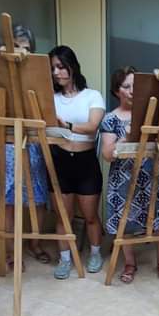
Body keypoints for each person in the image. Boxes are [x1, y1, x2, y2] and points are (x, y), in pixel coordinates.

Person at [0, 24, 50, 266]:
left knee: (37, 200)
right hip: (3, 147)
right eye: (14, 46)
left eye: (24, 48)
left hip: (32, 144)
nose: (18, 52)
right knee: (8, 203)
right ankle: (9, 253)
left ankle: (35, 244)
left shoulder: (34, 73)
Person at [98, 66, 159, 283]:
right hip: (123, 180)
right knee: (124, 224)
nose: (132, 91)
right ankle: (129, 263)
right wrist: (126, 138)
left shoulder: (153, 116)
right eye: (126, 86)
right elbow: (107, 154)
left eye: (136, 86)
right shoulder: (111, 118)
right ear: (116, 90)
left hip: (152, 177)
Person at [48, 45, 105, 277]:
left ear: (73, 66)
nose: (56, 72)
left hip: (85, 162)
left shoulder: (92, 96)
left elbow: (92, 126)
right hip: (58, 160)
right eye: (53, 68)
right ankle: (64, 259)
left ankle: (95, 253)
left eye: (61, 67)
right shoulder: (50, 98)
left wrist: (68, 126)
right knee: (63, 216)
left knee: (90, 216)